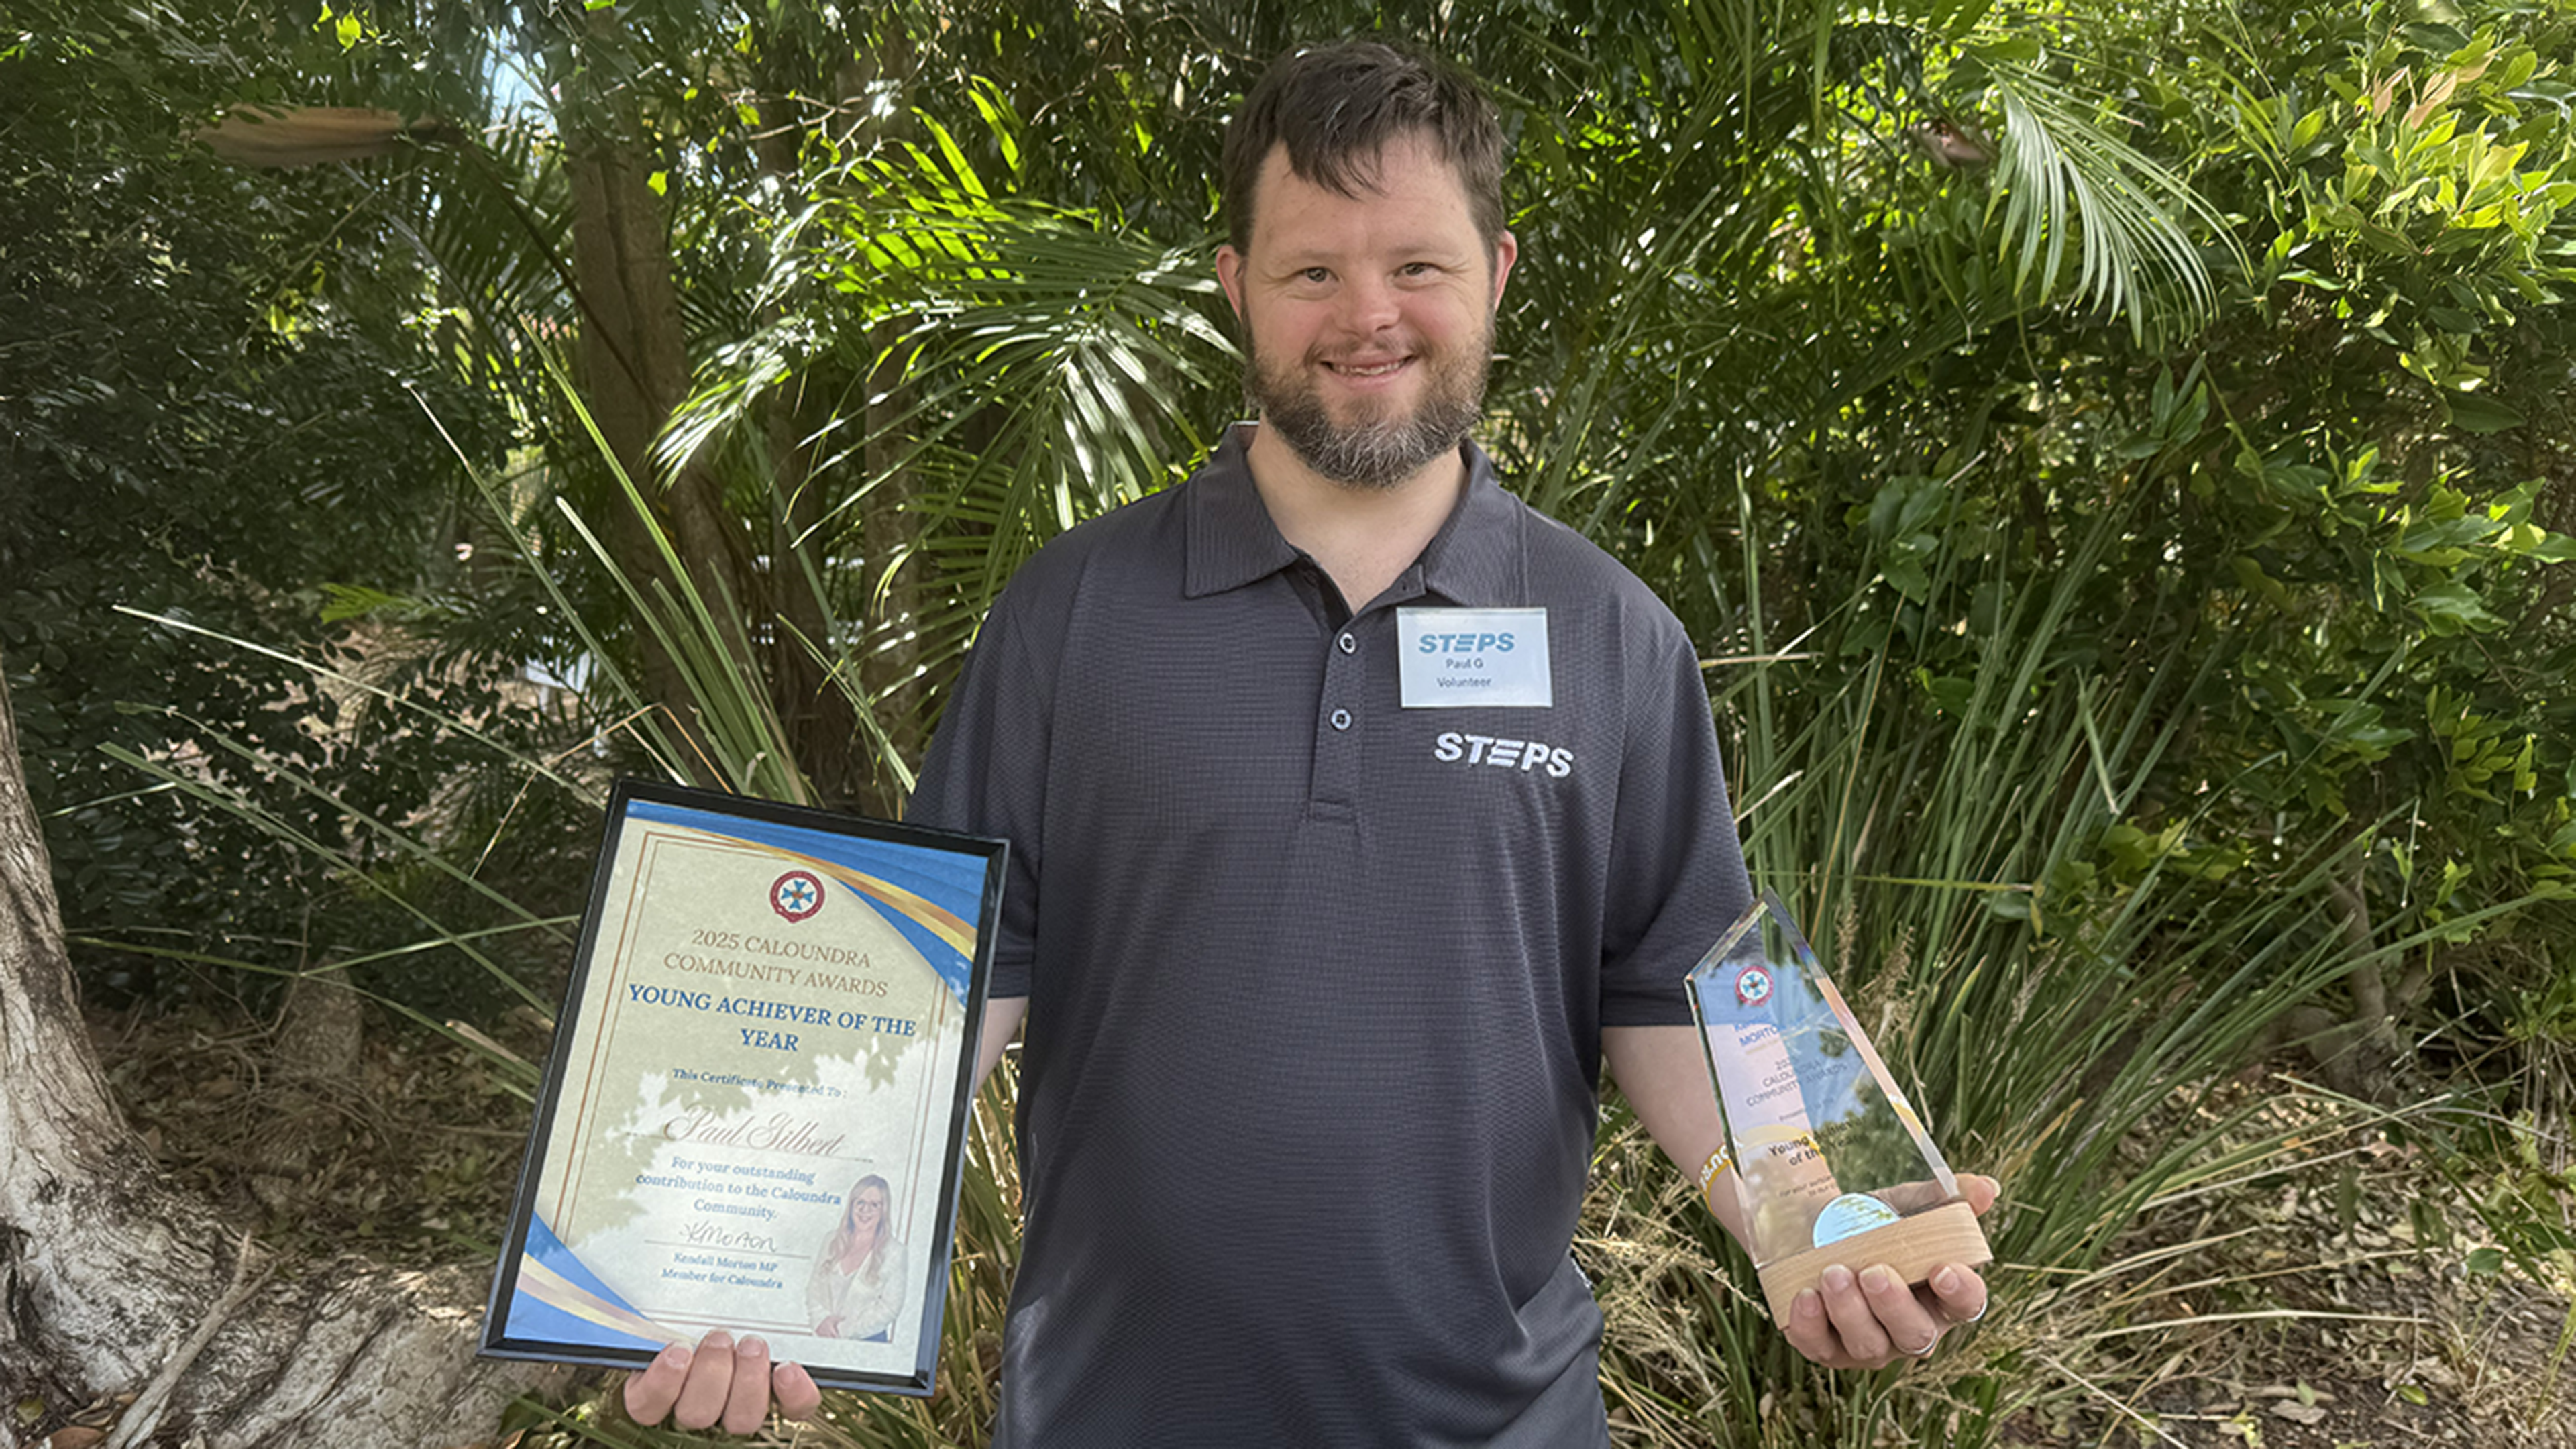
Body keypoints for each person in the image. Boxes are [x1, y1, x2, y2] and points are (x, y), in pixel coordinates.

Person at [625, 38, 1995, 1442]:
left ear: (1497, 275)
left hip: (1496, 1425)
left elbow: (1687, 985)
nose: (1368, 317)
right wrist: (721, 1263)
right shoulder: (1074, 613)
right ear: (1237, 290)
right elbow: (928, 990)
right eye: (1312, 272)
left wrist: (1843, 1226)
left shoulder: (1611, 636)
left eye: (1418, 266)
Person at [805, 1174, 906, 1342]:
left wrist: (842, 1330)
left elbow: (890, 1307)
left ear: (884, 1211)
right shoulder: (832, 1240)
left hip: (868, 1343)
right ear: (851, 1206)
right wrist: (820, 1321)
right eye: (860, 1202)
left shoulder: (895, 1252)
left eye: (875, 1205)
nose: (866, 1210)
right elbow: (813, 1288)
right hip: (824, 1339)